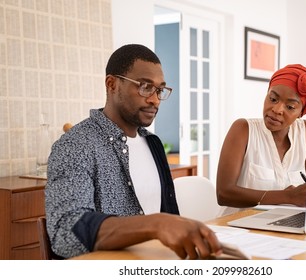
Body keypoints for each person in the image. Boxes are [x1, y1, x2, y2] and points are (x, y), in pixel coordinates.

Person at [45, 44, 222, 259]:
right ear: (111, 84)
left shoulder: (153, 144)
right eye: (145, 87)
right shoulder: (76, 145)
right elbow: (66, 234)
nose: (155, 99)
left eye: (159, 90)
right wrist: (155, 224)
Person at [216, 64, 306, 216]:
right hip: (237, 228)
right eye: (273, 99)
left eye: (290, 107)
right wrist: (288, 197)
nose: (277, 109)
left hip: (283, 224)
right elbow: (223, 194)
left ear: (301, 112)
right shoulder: (243, 130)